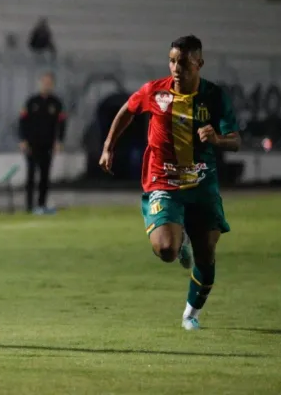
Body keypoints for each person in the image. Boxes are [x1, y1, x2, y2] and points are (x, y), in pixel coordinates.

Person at [98, 35, 241, 331]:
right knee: (166, 250)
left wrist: (216, 139)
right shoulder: (156, 91)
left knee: (207, 255)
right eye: (172, 61)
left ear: (199, 63)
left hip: (202, 183)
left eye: (184, 63)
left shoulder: (214, 97)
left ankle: (191, 313)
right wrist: (109, 145)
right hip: (163, 179)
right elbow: (128, 108)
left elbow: (235, 140)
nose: (176, 68)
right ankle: (179, 239)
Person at [18, 72, 67, 214]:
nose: (46, 85)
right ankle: (29, 206)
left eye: (49, 83)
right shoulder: (32, 102)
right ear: (40, 83)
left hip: (48, 144)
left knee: (45, 176)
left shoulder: (56, 103)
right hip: (32, 144)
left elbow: (62, 124)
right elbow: (22, 122)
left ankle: (42, 204)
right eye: (44, 82)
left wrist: (59, 141)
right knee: (31, 175)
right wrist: (23, 139)